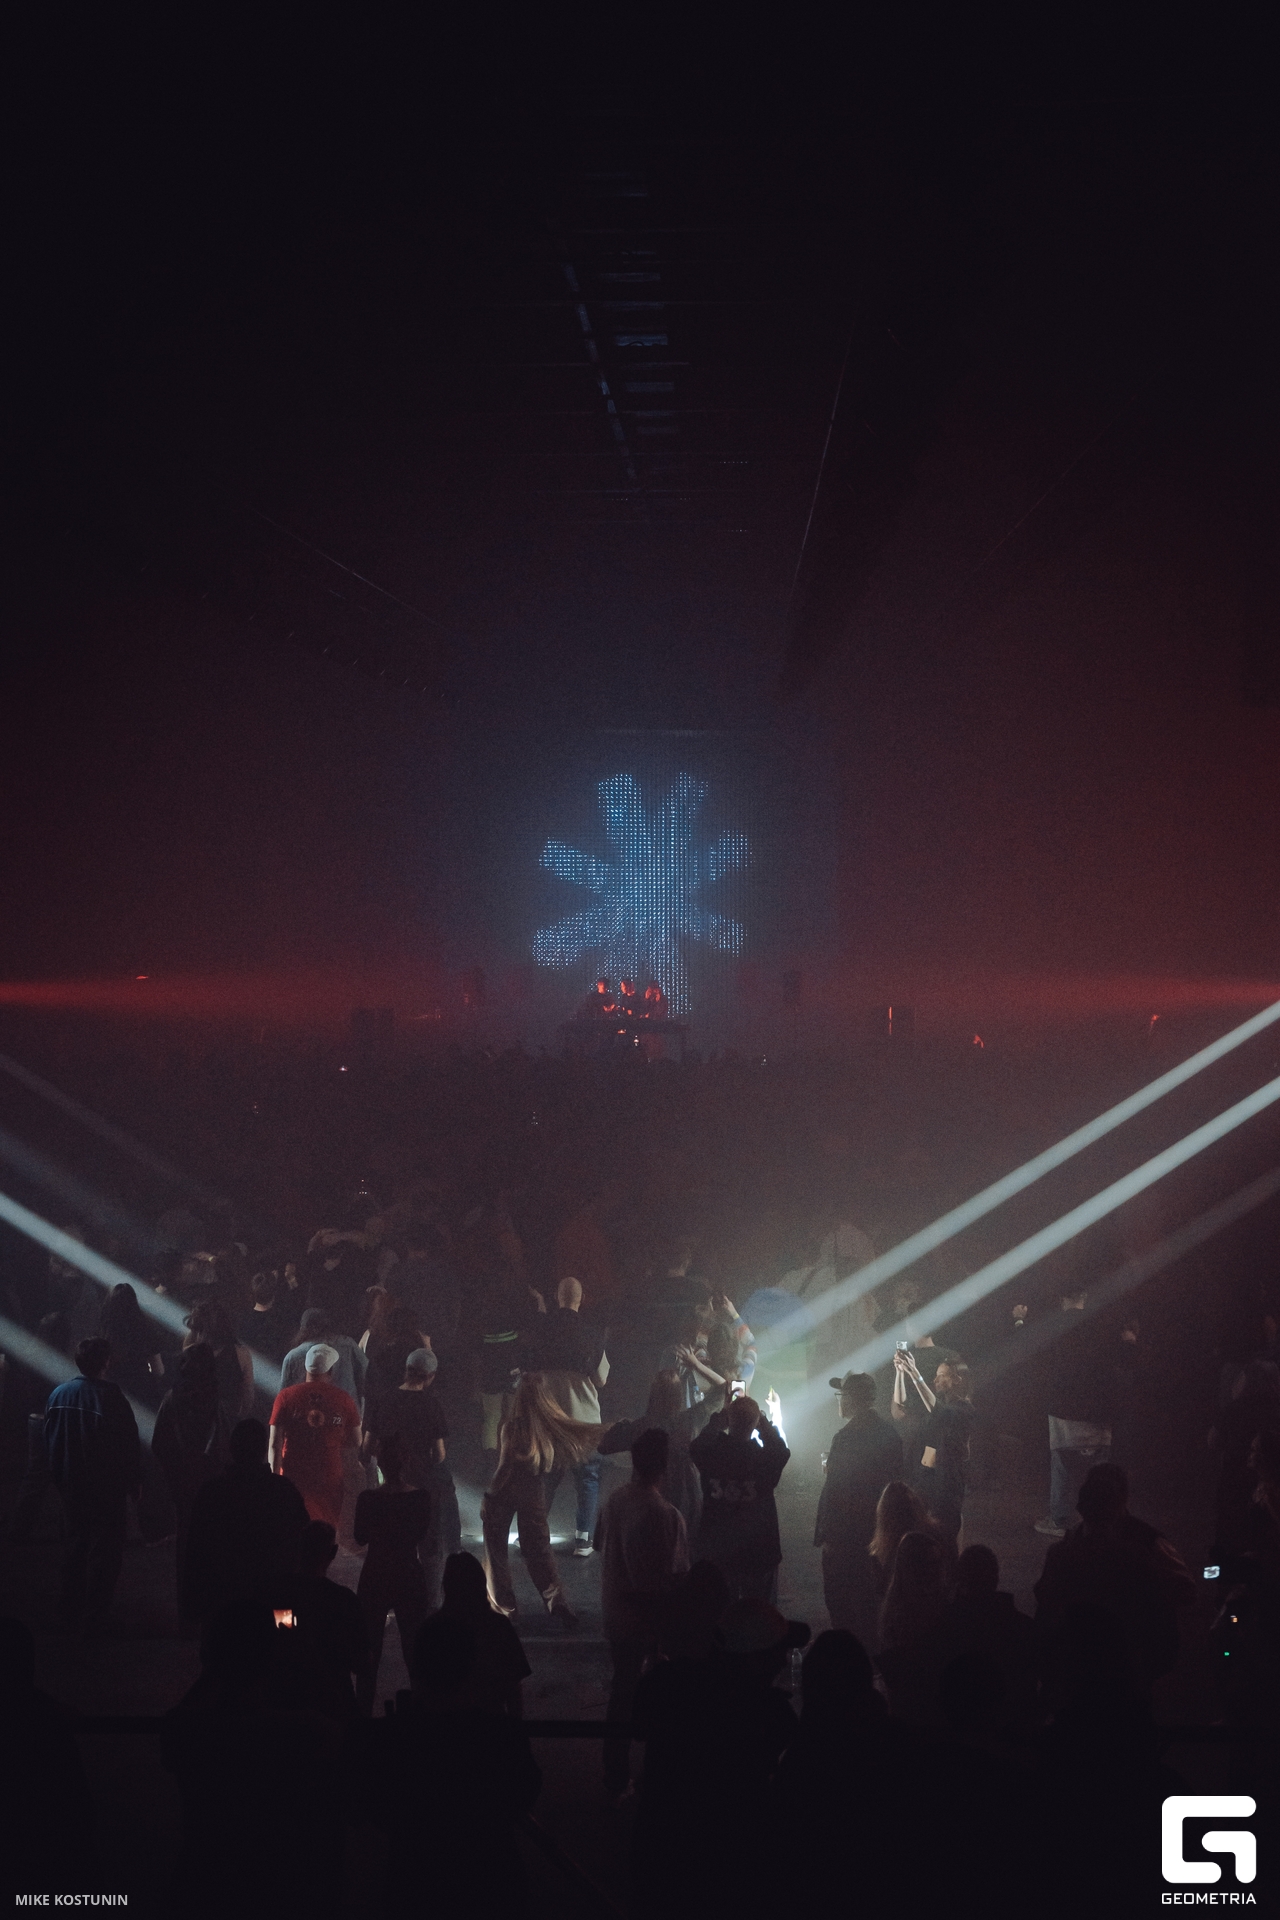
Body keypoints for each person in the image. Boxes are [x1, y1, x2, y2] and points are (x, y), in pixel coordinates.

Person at [356, 1614, 542, 1916]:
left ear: (418, 1668)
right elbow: (524, 1793)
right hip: (492, 1885)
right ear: (471, 1666)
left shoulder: (394, 1737)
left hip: (414, 1886)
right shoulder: (500, 1735)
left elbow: (371, 1804)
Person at [1034, 1461, 1196, 1690]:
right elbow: (1184, 1592)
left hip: (1078, 1670)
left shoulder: (1064, 1552)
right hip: (1126, 1670)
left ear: (1080, 1505)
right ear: (1122, 1501)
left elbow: (1045, 1608)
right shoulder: (1141, 1550)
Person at [598, 1427, 691, 1796]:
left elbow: (601, 1543)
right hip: (650, 1621)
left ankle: (615, 1775)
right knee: (663, 1700)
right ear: (665, 1467)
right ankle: (659, 1776)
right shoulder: (665, 1514)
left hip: (616, 1614)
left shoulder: (615, 1499)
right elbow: (675, 1576)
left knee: (622, 1693)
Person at [481, 1371, 599, 1627]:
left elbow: (504, 1468)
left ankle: (505, 1605)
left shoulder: (512, 1427)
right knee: (539, 1549)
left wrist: (489, 1494)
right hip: (533, 1489)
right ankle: (556, 1600)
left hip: (505, 1491)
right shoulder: (550, 1427)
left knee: (496, 1547)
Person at [43, 1335, 141, 1634]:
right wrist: (133, 1482)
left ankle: (67, 1609)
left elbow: (49, 1438)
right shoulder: (111, 1398)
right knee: (105, 1550)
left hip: (69, 1482)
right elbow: (128, 1445)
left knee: (74, 1545)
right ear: (106, 1362)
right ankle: (96, 1614)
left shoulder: (58, 1394)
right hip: (105, 1487)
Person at [362, 1345, 460, 1609]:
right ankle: (429, 1606)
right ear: (431, 1376)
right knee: (429, 1549)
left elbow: (367, 1447)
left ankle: (391, 1604)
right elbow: (439, 1454)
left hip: (390, 1485)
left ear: (406, 1370)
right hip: (424, 1488)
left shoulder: (384, 1400)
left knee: (391, 1547)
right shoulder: (432, 1404)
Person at [182, 1419, 308, 1621]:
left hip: (224, 1600)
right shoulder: (284, 1490)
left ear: (231, 1448)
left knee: (228, 1639)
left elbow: (195, 1551)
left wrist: (194, 1610)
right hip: (277, 1598)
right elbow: (303, 1539)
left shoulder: (212, 1492)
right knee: (282, 1637)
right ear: (263, 1450)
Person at [815, 1372, 903, 1647]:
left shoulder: (846, 1438)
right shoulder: (890, 1434)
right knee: (872, 1602)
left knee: (843, 1603)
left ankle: (847, 1657)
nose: (839, 1401)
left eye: (842, 1395)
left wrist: (827, 1534)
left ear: (852, 1399)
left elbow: (838, 1492)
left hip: (847, 1536)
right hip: (879, 1531)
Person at [354, 1435, 433, 1715]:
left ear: (380, 1464)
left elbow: (360, 1537)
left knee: (369, 1651)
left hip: (375, 1573)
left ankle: (362, 1716)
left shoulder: (368, 1499)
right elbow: (424, 1539)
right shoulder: (421, 1498)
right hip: (408, 1573)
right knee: (415, 1649)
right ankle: (422, 1716)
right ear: (406, 1462)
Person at [688, 1385, 790, 1602]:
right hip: (759, 1549)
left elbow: (696, 1446)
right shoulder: (763, 1458)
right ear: (755, 1423)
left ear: (728, 1420)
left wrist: (718, 1421)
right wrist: (764, 1424)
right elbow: (781, 1451)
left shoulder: (712, 1454)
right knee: (760, 1611)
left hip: (718, 1547)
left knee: (720, 1608)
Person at [152, 1342, 233, 1604]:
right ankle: (211, 1599)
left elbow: (159, 1443)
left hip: (183, 1480)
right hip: (214, 1480)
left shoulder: (172, 1398)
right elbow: (227, 1445)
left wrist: (173, 1472)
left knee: (186, 1540)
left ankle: (187, 1600)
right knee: (214, 1540)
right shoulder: (218, 1401)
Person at [537, 1274, 609, 1555]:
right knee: (587, 1480)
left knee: (547, 1478)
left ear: (557, 1297)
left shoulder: (542, 1331)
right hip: (584, 1420)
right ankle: (583, 1540)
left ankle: (536, 1535)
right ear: (582, 1299)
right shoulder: (592, 1333)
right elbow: (601, 1379)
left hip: (550, 1419)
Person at [1034, 1289, 1113, 1538]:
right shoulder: (1101, 1324)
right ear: (1085, 1297)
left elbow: (1043, 1364)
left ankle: (1059, 1519)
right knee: (1101, 1468)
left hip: (1063, 1406)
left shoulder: (1056, 1326)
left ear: (1063, 1299)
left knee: (1061, 1464)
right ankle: (1104, 1519)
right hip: (1098, 1407)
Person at [598, 1367, 703, 1537]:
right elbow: (721, 1390)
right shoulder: (688, 1422)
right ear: (678, 1395)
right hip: (683, 1497)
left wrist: (621, 1426)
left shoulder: (640, 1427)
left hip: (646, 1499)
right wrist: (696, 1364)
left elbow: (604, 1446)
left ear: (653, 1394)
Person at [268, 1343, 361, 1527]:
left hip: (293, 1476)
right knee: (326, 1528)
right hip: (329, 1476)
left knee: (292, 1527)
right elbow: (356, 1440)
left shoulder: (285, 1397)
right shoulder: (344, 1399)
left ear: (306, 1368)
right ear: (331, 1370)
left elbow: (274, 1445)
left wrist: (274, 1479)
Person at [434, 1550, 532, 1717]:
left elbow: (424, 1690)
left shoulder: (433, 1629)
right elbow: (513, 1688)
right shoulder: (499, 1627)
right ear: (481, 1585)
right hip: (492, 1722)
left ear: (446, 1586)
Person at [287, 1519, 368, 1719]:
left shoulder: (281, 1594)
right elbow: (361, 1661)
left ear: (299, 1549)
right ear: (333, 1552)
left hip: (289, 1700)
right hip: (337, 1702)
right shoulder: (345, 1600)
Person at [894, 1350, 975, 1544]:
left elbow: (940, 1412)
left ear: (956, 1380)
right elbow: (901, 1405)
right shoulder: (934, 1405)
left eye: (941, 1375)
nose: (935, 1380)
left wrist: (914, 1371)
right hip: (926, 1484)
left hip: (945, 1488)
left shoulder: (964, 1410)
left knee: (943, 1539)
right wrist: (900, 1372)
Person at [876, 1528, 953, 1721]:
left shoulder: (896, 1608)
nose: (936, 1569)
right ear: (915, 1568)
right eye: (930, 1563)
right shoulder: (905, 1616)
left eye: (938, 1562)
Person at [280, 1305, 368, 1412]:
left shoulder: (292, 1357)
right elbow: (367, 1377)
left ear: (303, 1329)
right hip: (346, 1415)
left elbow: (284, 1398)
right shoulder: (348, 1346)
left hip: (309, 1417)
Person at [183, 1298, 254, 1425]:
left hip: (195, 1422)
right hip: (226, 1422)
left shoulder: (190, 1352)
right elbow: (248, 1395)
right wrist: (238, 1418)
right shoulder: (241, 1354)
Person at [98, 1281, 165, 1403]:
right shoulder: (145, 1329)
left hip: (110, 1393)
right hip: (139, 1391)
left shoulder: (104, 1330)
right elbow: (158, 1370)